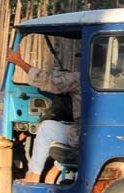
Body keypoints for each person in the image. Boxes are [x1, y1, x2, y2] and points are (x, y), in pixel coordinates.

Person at [6, 48, 81, 183]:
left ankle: (34, 175)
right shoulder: (114, 81)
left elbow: (48, 81)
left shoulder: (79, 79)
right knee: (68, 128)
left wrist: (18, 61)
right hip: (99, 133)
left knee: (46, 128)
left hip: (85, 135)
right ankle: (54, 172)